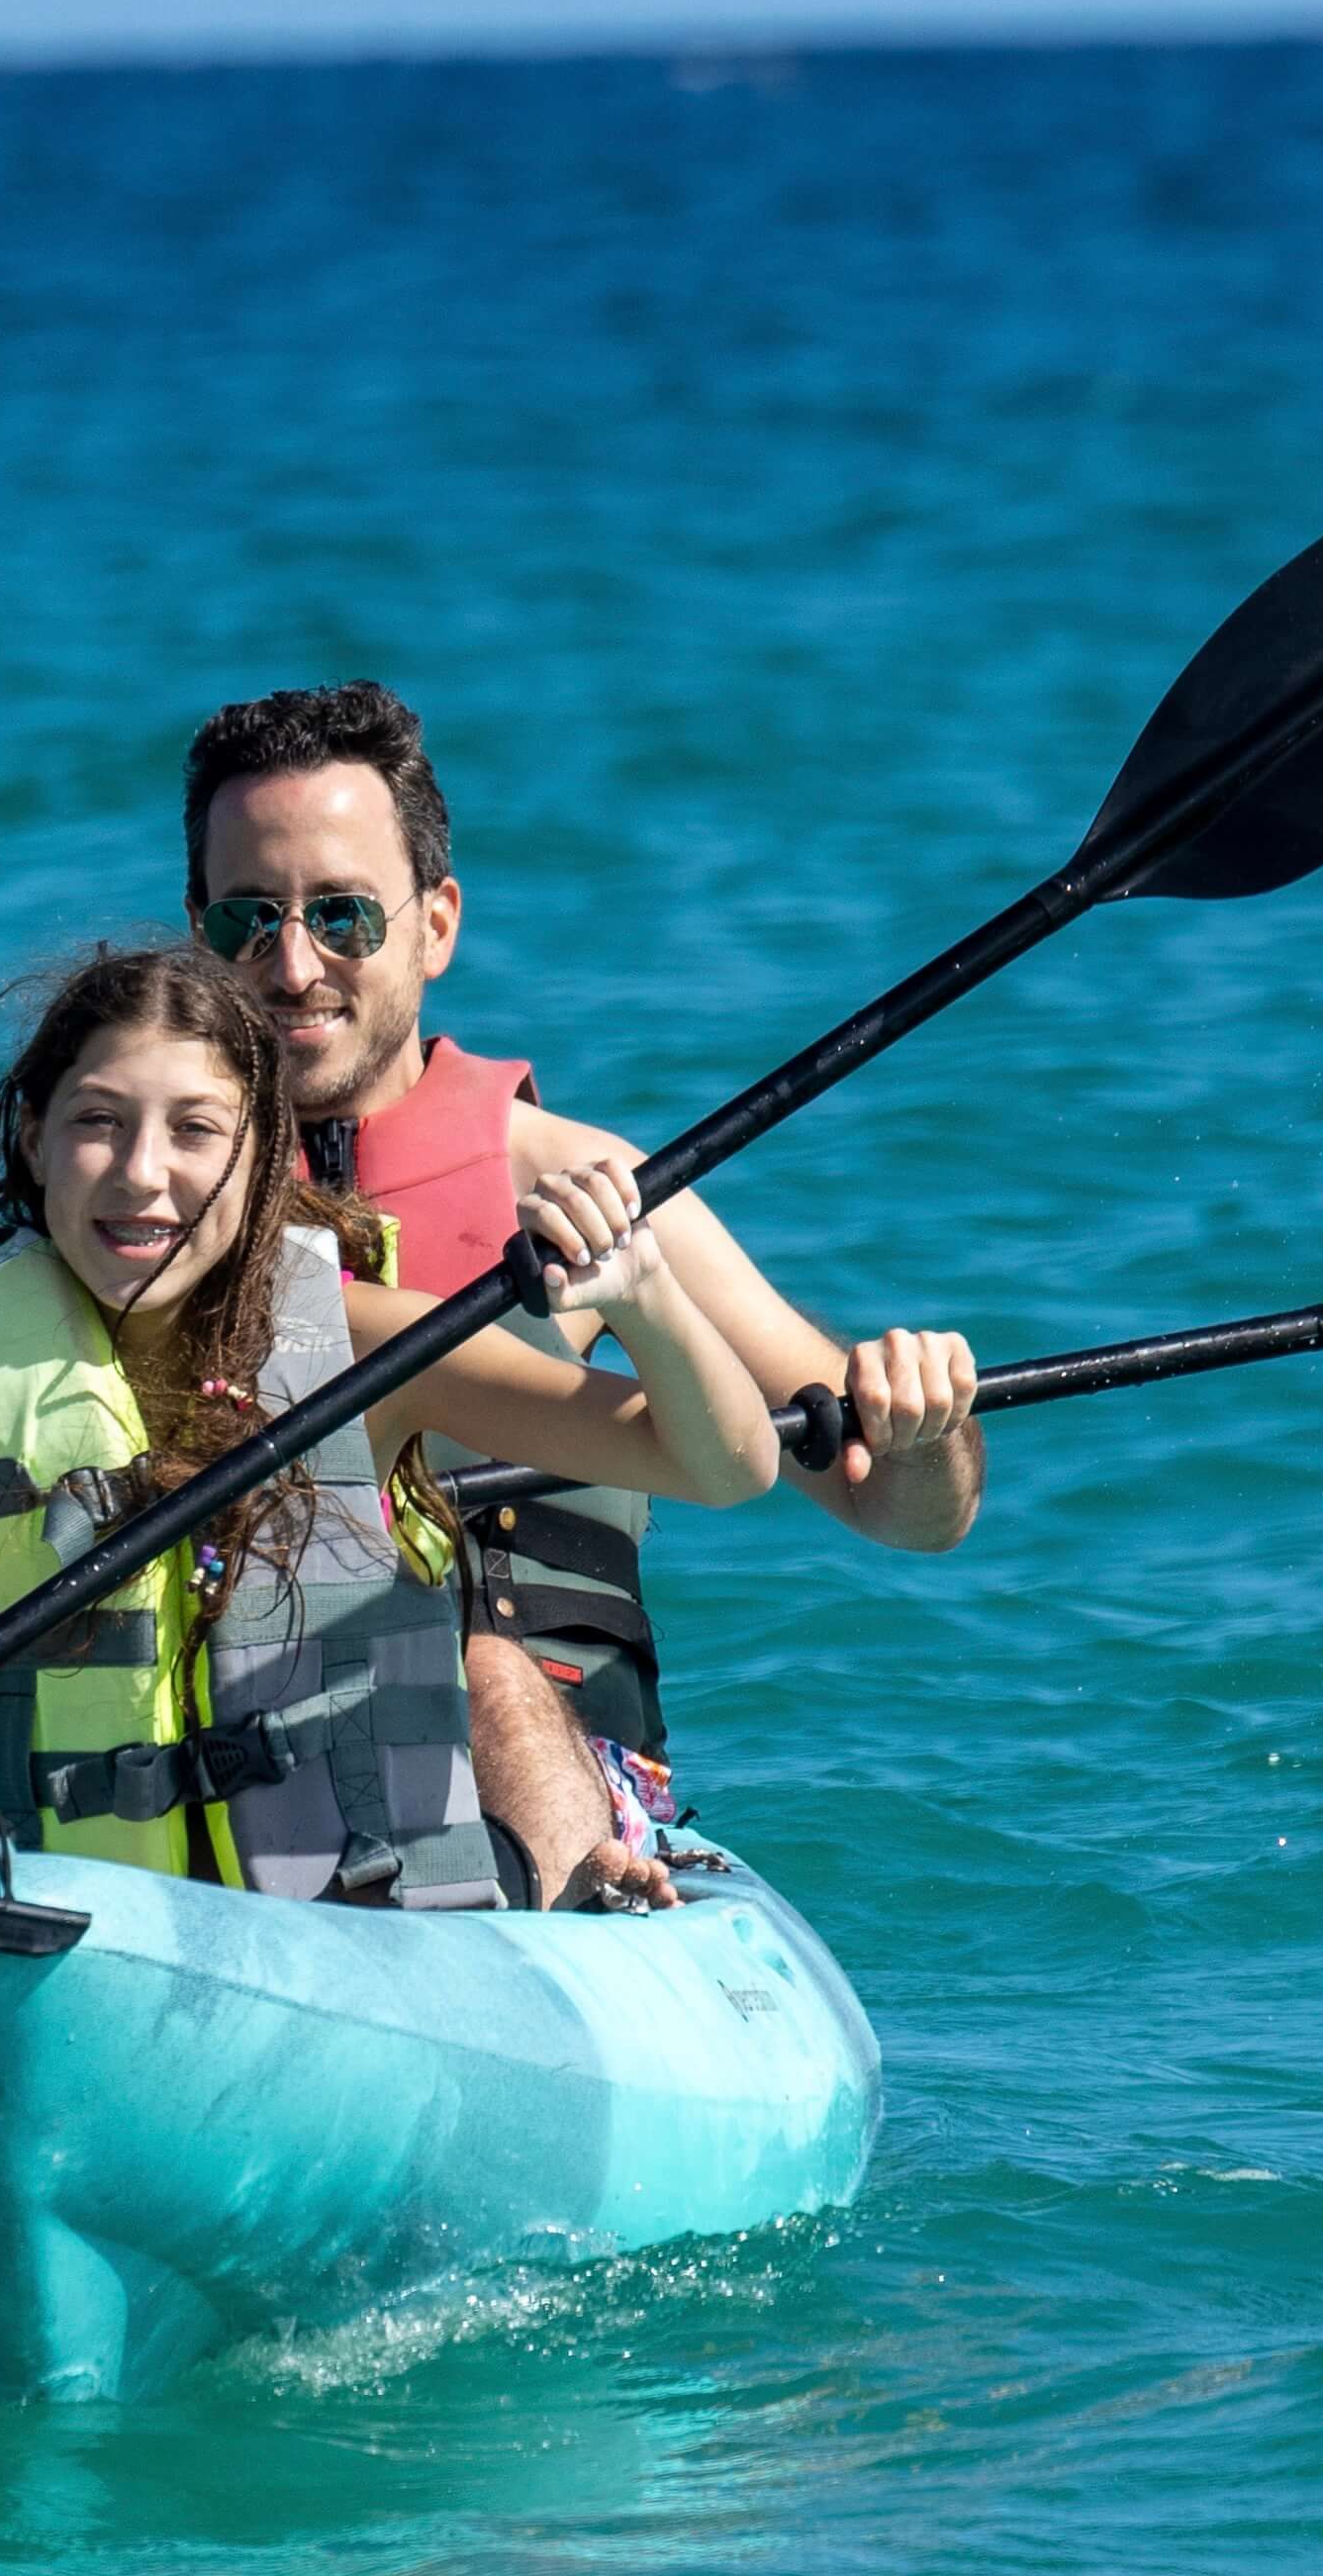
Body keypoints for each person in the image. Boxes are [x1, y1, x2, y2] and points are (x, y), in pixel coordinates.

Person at [0, 944, 782, 1913]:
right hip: (54, 1926)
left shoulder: (371, 1355)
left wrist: (648, 1303)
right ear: (32, 1135)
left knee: (504, 1681)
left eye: (195, 1130)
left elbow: (725, 1466)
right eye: (98, 1122)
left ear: (261, 1157)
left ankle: (574, 1872)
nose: (141, 1173)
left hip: (360, 1920)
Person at [179, 681, 983, 1874]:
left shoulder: (587, 1190)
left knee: (487, 1669)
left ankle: (569, 1913)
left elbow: (899, 1512)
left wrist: (920, 1433)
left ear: (435, 924)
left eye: (342, 916)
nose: (291, 966)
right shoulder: (142, 1204)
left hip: (539, 1745)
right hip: (241, 1738)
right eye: (247, 919)